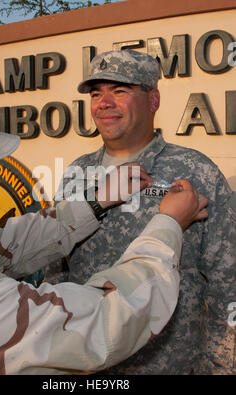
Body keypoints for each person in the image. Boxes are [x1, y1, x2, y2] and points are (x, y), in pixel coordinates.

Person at [0, 88, 208, 375]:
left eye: (119, 90)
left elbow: (7, 245)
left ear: (153, 99)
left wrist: (96, 200)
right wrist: (169, 223)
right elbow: (107, 321)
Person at [53, 50, 236, 375]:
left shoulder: (195, 171)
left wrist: (219, 367)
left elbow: (228, 283)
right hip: (85, 367)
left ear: (153, 100)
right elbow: (57, 273)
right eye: (96, 93)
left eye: (119, 91)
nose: (103, 103)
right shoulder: (76, 174)